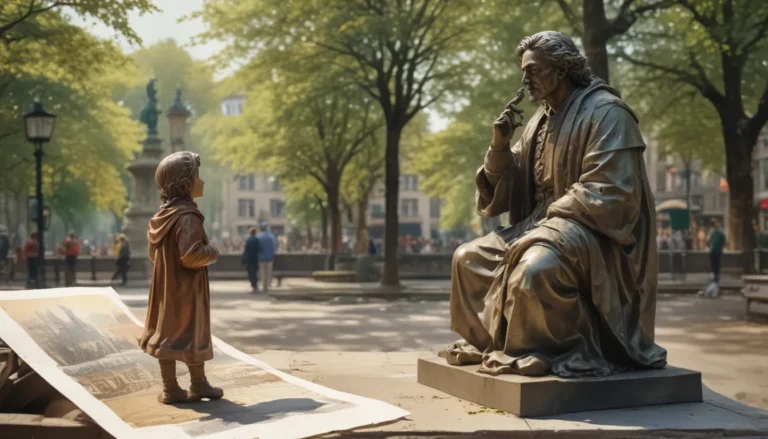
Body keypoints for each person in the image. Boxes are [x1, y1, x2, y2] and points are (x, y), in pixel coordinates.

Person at [442, 31, 666, 377]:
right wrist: (499, 147)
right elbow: (513, 185)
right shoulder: (539, 121)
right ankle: (492, 342)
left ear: (561, 69)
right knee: (467, 259)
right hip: (542, 225)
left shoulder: (608, 113)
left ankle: (549, 350)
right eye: (523, 71)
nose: (524, 79)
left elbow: (614, 193)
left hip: (592, 233)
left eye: (533, 70)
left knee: (534, 269)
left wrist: (549, 220)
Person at [139, 151, 223, 404]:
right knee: (191, 332)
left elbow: (153, 254)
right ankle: (197, 383)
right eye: (197, 176)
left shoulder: (160, 217)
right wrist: (213, 252)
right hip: (187, 290)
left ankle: (172, 388)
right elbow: (190, 255)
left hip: (166, 289)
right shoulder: (187, 216)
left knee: (166, 334)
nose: (202, 182)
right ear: (184, 183)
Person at [257, 221, 277, 294]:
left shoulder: (259, 236)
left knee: (263, 273)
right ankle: (268, 287)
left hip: (261, 258)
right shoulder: (271, 236)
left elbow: (257, 247)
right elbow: (274, 246)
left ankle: (264, 287)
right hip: (270, 257)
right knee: (269, 273)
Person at [241, 227, 261, 294]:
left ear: (250, 232)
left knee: (250, 273)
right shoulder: (257, 240)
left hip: (249, 259)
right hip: (255, 259)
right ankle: (255, 286)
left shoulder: (248, 240)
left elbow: (245, 250)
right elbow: (259, 249)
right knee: (255, 273)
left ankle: (253, 286)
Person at [707, 219, 726, 284]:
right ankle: (715, 275)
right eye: (715, 223)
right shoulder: (716, 231)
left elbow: (708, 241)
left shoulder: (715, 231)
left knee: (715, 263)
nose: (717, 224)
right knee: (715, 263)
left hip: (715, 250)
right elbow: (723, 241)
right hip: (714, 250)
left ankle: (716, 275)